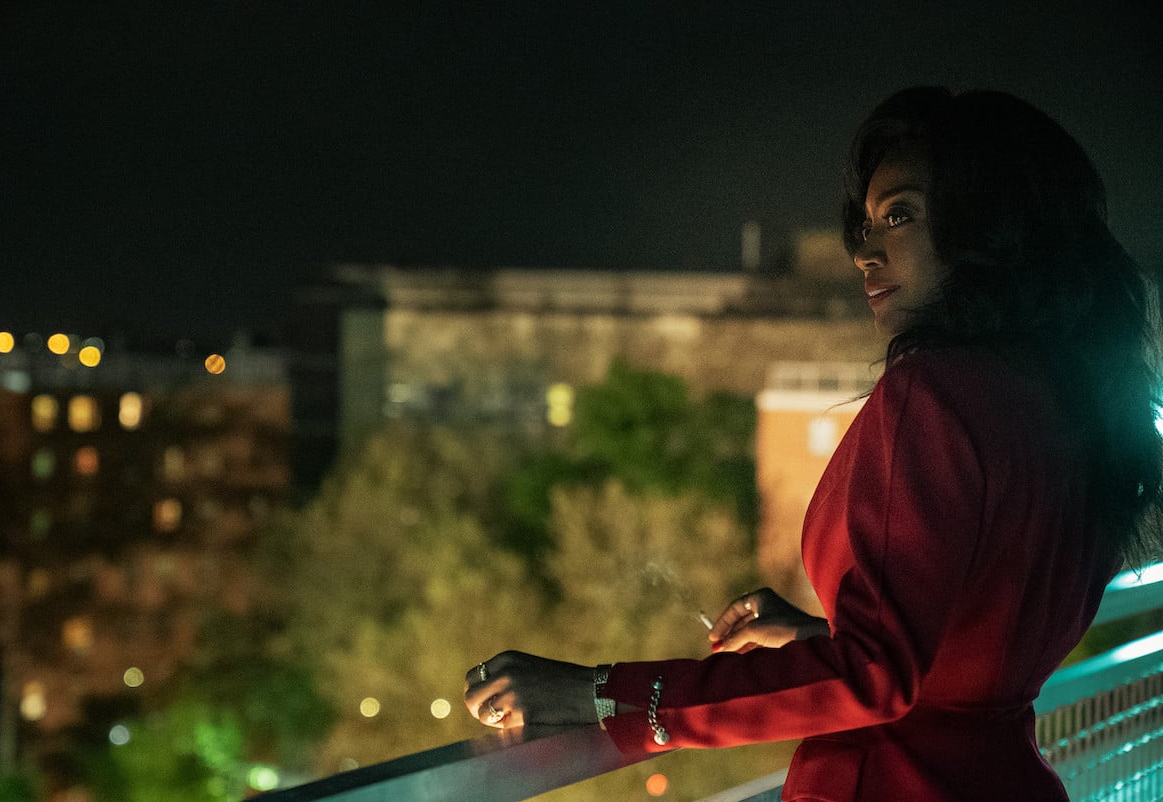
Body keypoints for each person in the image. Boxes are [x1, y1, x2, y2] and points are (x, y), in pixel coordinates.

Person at [463, 87, 1163, 801]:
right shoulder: (1070, 403)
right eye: (866, 225)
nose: (865, 252)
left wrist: (601, 694)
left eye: (900, 215)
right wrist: (814, 637)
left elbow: (874, 679)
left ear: (992, 223)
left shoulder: (937, 394)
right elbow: (970, 646)